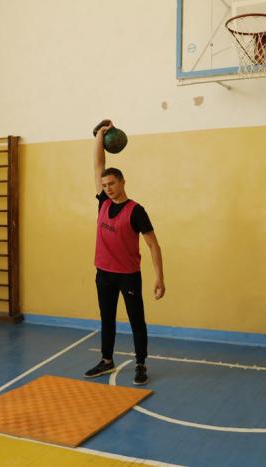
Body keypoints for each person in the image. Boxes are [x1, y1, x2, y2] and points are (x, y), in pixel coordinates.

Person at [84, 120, 165, 385]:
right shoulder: (103, 203)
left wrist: (159, 278)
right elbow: (98, 164)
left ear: (122, 182)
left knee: (136, 321)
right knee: (106, 319)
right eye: (105, 184)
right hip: (104, 273)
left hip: (128, 275)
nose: (107, 188)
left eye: (112, 183)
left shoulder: (136, 211)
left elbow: (153, 245)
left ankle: (141, 363)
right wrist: (100, 135)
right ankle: (107, 360)